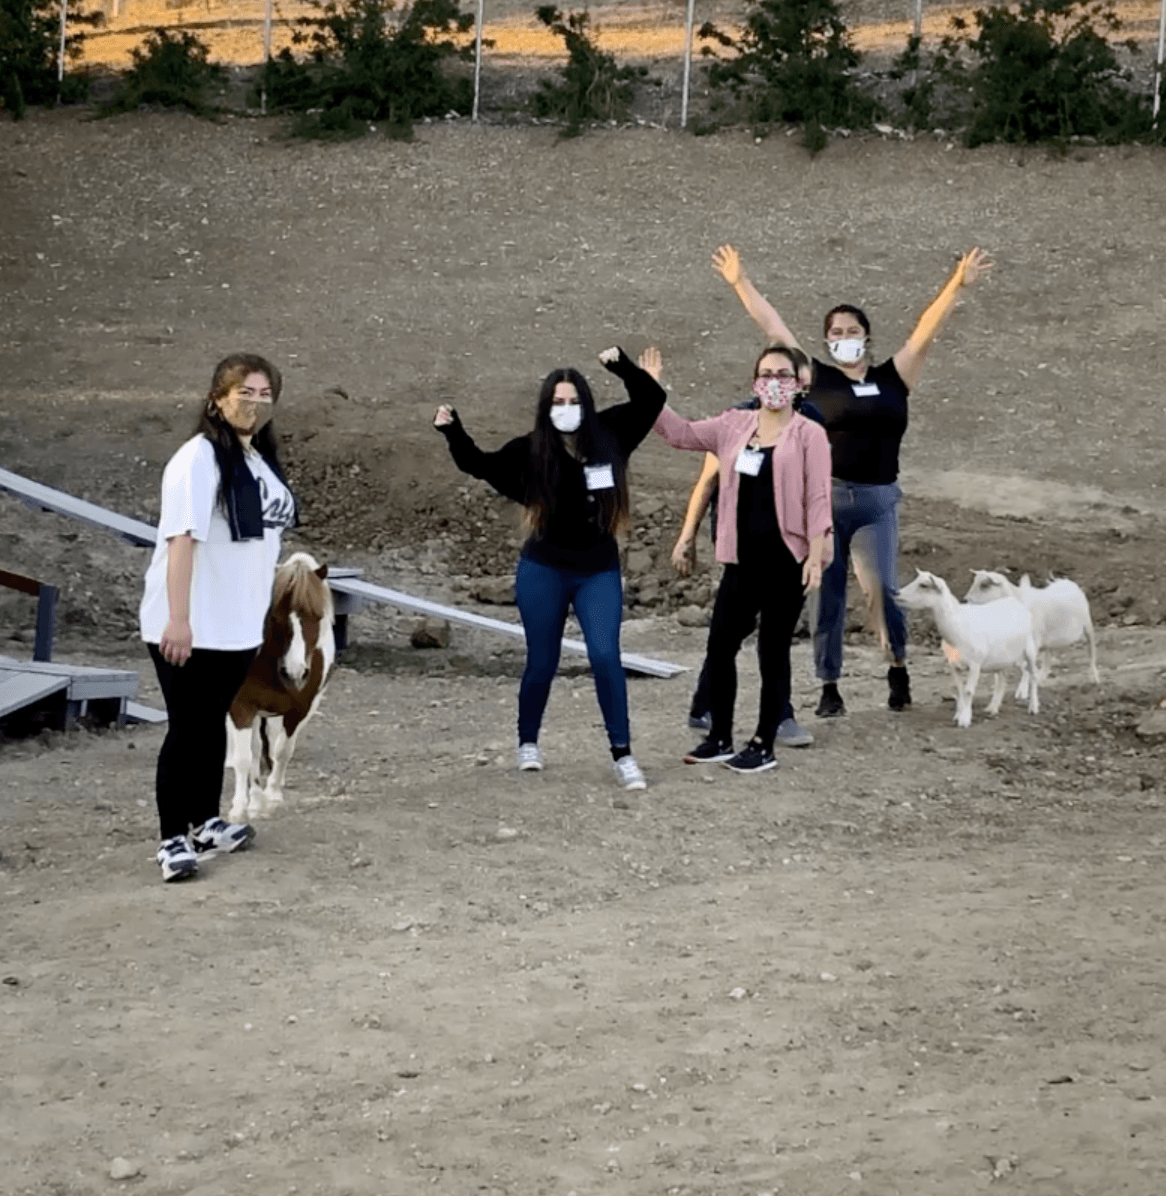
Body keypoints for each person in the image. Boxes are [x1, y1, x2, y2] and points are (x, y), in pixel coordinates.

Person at [712, 243, 993, 717]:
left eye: (853, 331)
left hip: (877, 500)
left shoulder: (893, 377)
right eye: (836, 332)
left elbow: (926, 331)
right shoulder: (814, 376)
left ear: (866, 336)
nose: (845, 337)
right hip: (824, 502)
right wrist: (740, 281)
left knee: (884, 587)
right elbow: (772, 326)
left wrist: (956, 285)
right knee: (825, 594)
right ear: (826, 341)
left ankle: (897, 667)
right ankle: (829, 685)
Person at [433, 346, 666, 791]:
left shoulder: (611, 433)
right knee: (543, 660)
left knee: (605, 656)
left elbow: (651, 401)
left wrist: (622, 367)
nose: (566, 409)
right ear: (546, 408)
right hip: (544, 569)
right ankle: (528, 742)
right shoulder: (530, 451)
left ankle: (623, 755)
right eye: (557, 403)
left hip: (597, 569)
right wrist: (453, 432)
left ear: (586, 402)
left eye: (573, 400)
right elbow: (479, 464)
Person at [139, 354, 297, 882]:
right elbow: (181, 539)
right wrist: (179, 619)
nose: (253, 404)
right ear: (217, 397)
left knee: (212, 725)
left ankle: (206, 819)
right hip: (191, 622)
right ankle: (171, 838)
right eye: (242, 393)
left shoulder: (256, 459)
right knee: (187, 728)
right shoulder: (197, 458)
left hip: (236, 624)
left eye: (262, 395)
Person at [653, 344, 833, 773]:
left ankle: (763, 742)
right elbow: (679, 433)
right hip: (741, 559)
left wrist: (816, 553)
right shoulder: (733, 425)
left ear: (797, 384)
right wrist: (650, 389)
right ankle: (720, 737)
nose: (774, 382)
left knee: (772, 652)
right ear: (754, 380)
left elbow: (818, 497)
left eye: (783, 375)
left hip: (786, 560)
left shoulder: (810, 434)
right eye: (766, 373)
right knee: (720, 646)